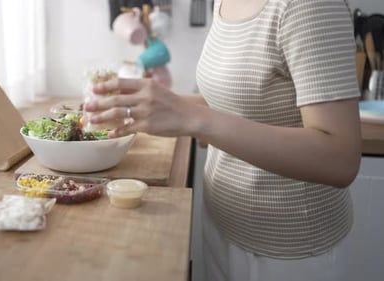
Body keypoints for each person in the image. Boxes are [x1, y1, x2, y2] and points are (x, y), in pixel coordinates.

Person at [84, 0, 361, 280]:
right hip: (220, 224)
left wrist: (193, 119)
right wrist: (148, 108)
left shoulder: (310, 5)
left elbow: (340, 159)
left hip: (287, 251)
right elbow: (232, 103)